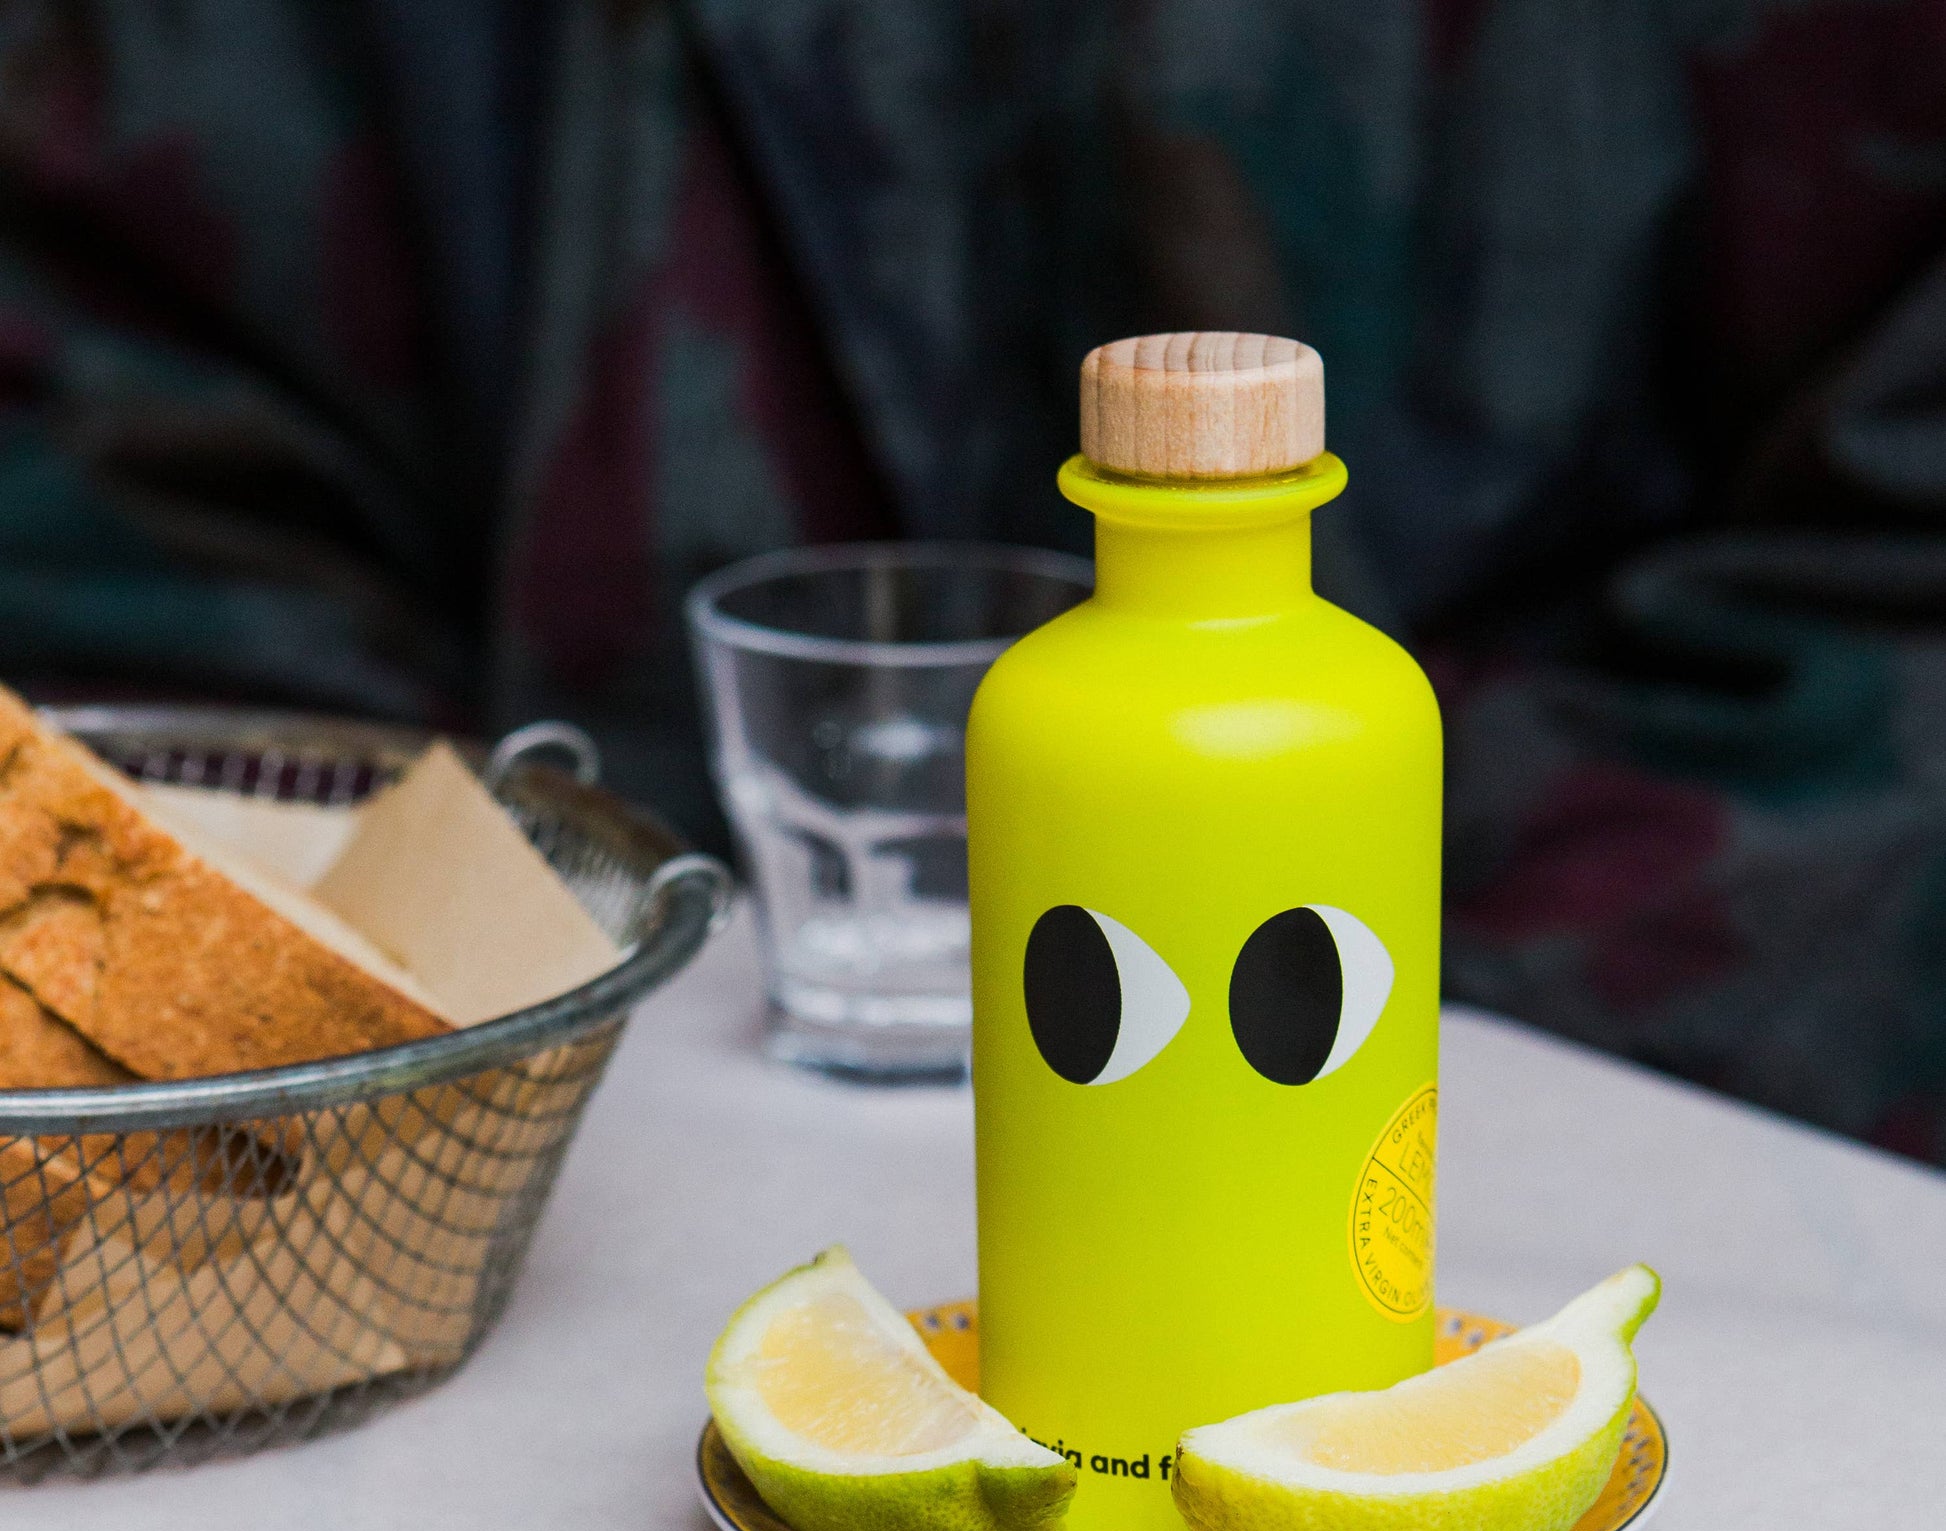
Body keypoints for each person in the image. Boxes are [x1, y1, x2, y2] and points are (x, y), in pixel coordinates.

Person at [3, 0, 1942, 1162]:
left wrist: (1454, 1009)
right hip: (560, 1135)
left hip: (1601, 1093)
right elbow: (125, 464)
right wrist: (448, 1022)